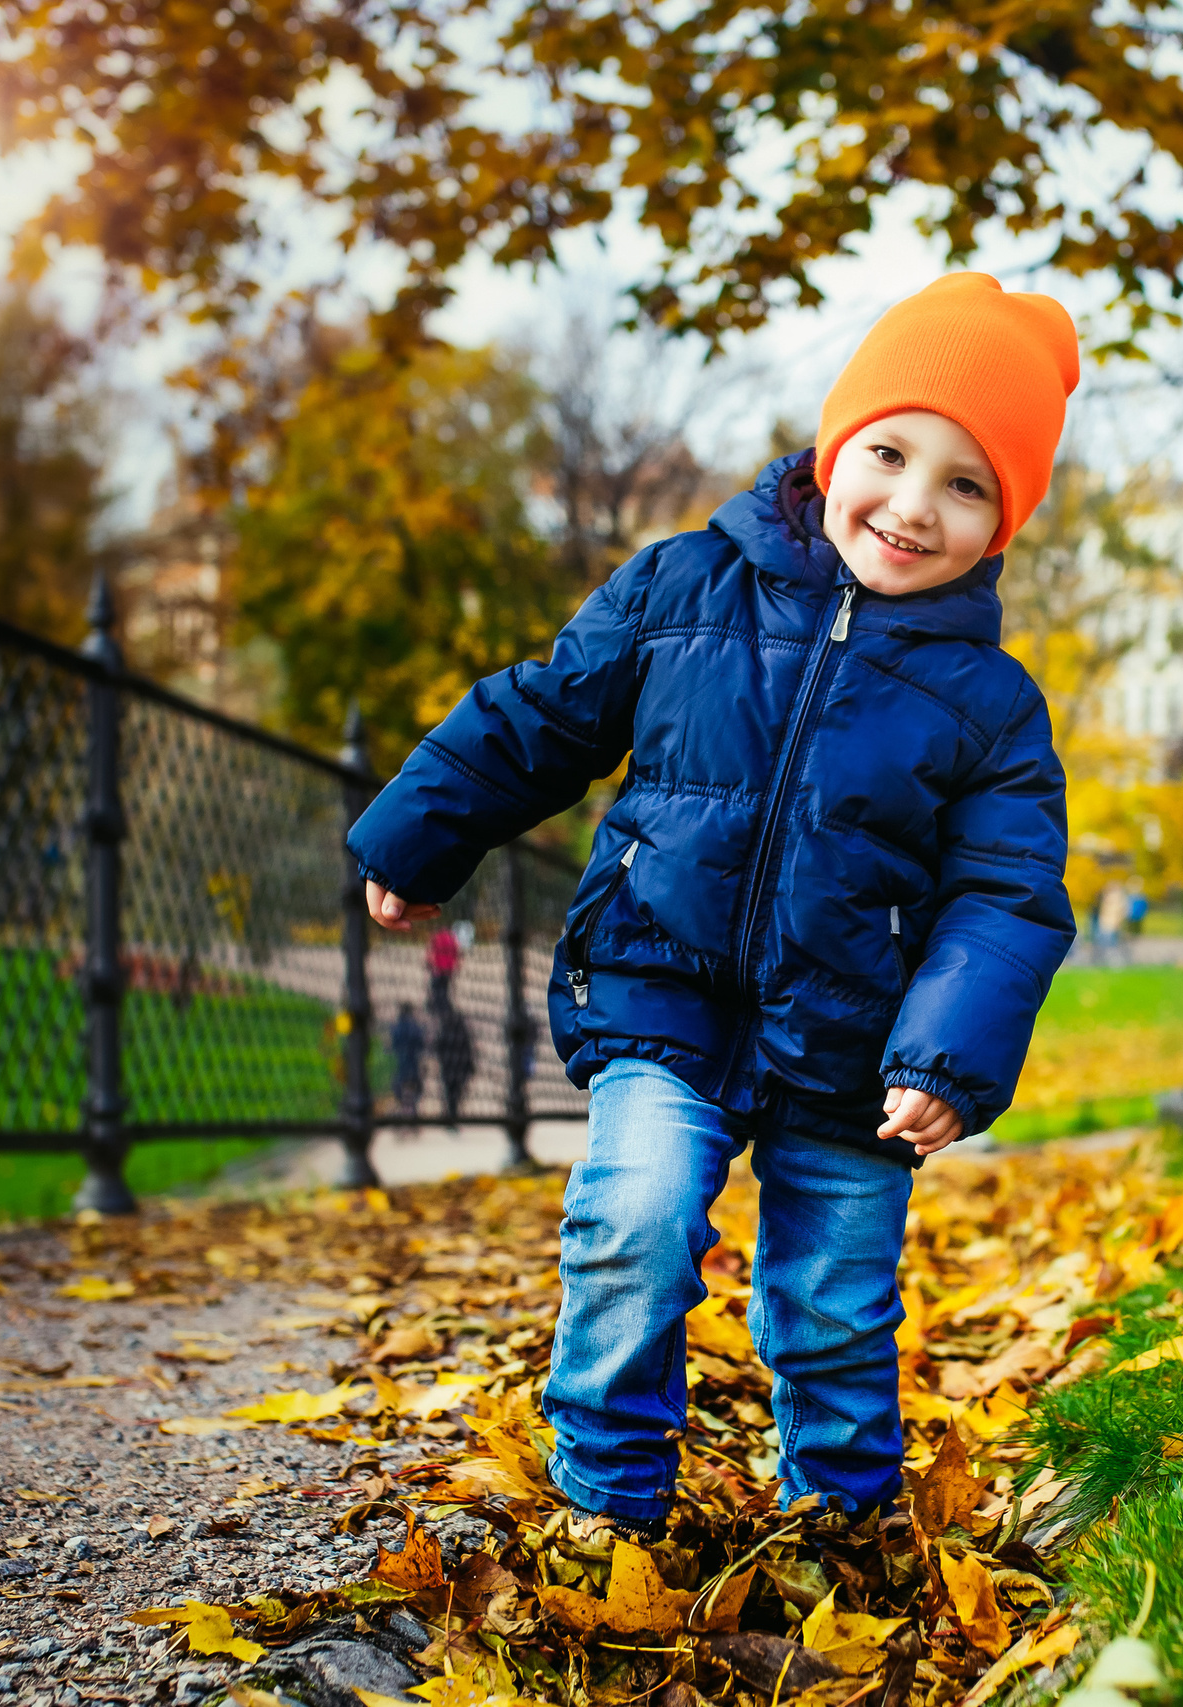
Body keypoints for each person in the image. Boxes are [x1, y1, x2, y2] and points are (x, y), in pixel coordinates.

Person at [344, 274, 1078, 1534]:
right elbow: (547, 713)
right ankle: (606, 1495)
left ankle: (840, 1521)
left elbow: (1006, 895)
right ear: (835, 443)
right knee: (633, 1220)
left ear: (1003, 521)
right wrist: (425, 835)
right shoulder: (683, 584)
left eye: (966, 486)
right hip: (661, 982)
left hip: (858, 1044)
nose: (911, 506)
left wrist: (948, 1053)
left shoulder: (993, 705)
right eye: (891, 455)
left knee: (836, 1297)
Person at [389, 1001, 426, 1118]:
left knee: (403, 1088)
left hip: (401, 1063)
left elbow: (393, 1045)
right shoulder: (414, 1027)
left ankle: (406, 1115)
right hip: (412, 1062)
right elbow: (421, 1044)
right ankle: (410, 1115)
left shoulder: (397, 1027)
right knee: (411, 1088)